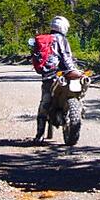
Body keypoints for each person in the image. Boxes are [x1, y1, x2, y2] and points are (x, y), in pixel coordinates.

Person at [34, 15, 81, 143]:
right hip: (62, 74)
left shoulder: (47, 39)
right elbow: (66, 58)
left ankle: (39, 134)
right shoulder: (61, 39)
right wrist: (74, 70)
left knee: (45, 102)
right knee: (77, 90)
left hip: (47, 75)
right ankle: (40, 134)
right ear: (63, 27)